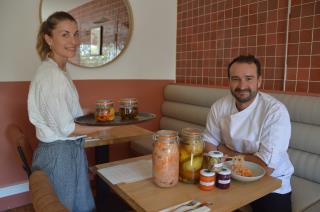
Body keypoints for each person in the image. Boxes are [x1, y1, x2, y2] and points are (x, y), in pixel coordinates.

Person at [203, 55, 294, 212]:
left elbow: (264, 167)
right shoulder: (219, 107)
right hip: (226, 173)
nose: (242, 85)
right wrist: (222, 164)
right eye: (235, 79)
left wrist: (226, 151)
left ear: (259, 81)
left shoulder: (274, 112)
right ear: (229, 82)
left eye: (249, 78)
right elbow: (209, 143)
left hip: (271, 183)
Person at [28, 11, 98, 211]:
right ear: (48, 39)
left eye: (75, 34)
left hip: (62, 153)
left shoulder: (57, 71)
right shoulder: (52, 76)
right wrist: (108, 125)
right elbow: (67, 128)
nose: (74, 40)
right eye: (65, 34)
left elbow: (62, 114)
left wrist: (88, 114)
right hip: (59, 156)